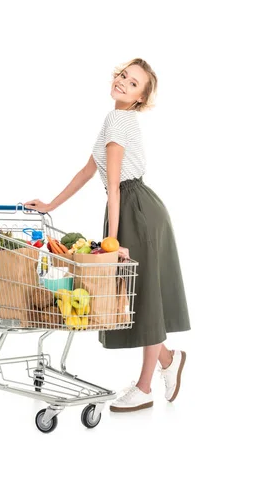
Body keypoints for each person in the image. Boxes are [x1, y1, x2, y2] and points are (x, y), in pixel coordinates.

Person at [24, 58, 191, 413]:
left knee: (142, 297)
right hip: (140, 208)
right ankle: (167, 359)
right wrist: (51, 202)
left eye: (133, 84)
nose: (123, 83)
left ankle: (145, 387)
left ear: (139, 99)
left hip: (135, 210)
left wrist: (111, 244)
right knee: (141, 295)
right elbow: (90, 170)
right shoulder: (116, 118)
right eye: (123, 76)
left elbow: (113, 187)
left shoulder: (119, 118)